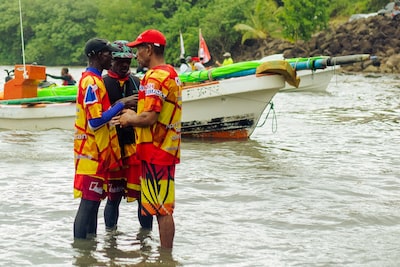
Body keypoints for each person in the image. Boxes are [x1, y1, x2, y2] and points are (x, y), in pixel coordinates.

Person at [115, 29, 182, 249]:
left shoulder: (155, 77)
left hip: (156, 151)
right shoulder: (171, 73)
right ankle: (163, 257)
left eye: (138, 50)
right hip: (165, 149)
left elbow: (149, 117)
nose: (135, 55)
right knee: (160, 207)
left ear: (149, 49)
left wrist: (129, 118)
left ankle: (165, 258)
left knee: (162, 210)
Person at [73, 37, 136, 239]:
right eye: (109, 53)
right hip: (90, 153)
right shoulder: (91, 82)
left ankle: (89, 251)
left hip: (99, 153)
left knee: (94, 205)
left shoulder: (95, 80)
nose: (112, 57)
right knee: (88, 204)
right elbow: (95, 121)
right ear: (100, 55)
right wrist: (121, 103)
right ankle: (82, 253)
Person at [102, 40, 153, 231]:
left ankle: (146, 240)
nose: (124, 65)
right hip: (112, 148)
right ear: (111, 61)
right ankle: (110, 240)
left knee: (143, 196)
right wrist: (121, 104)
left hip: (134, 147)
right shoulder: (103, 84)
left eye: (128, 61)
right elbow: (96, 116)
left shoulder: (138, 82)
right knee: (112, 198)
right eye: (120, 61)